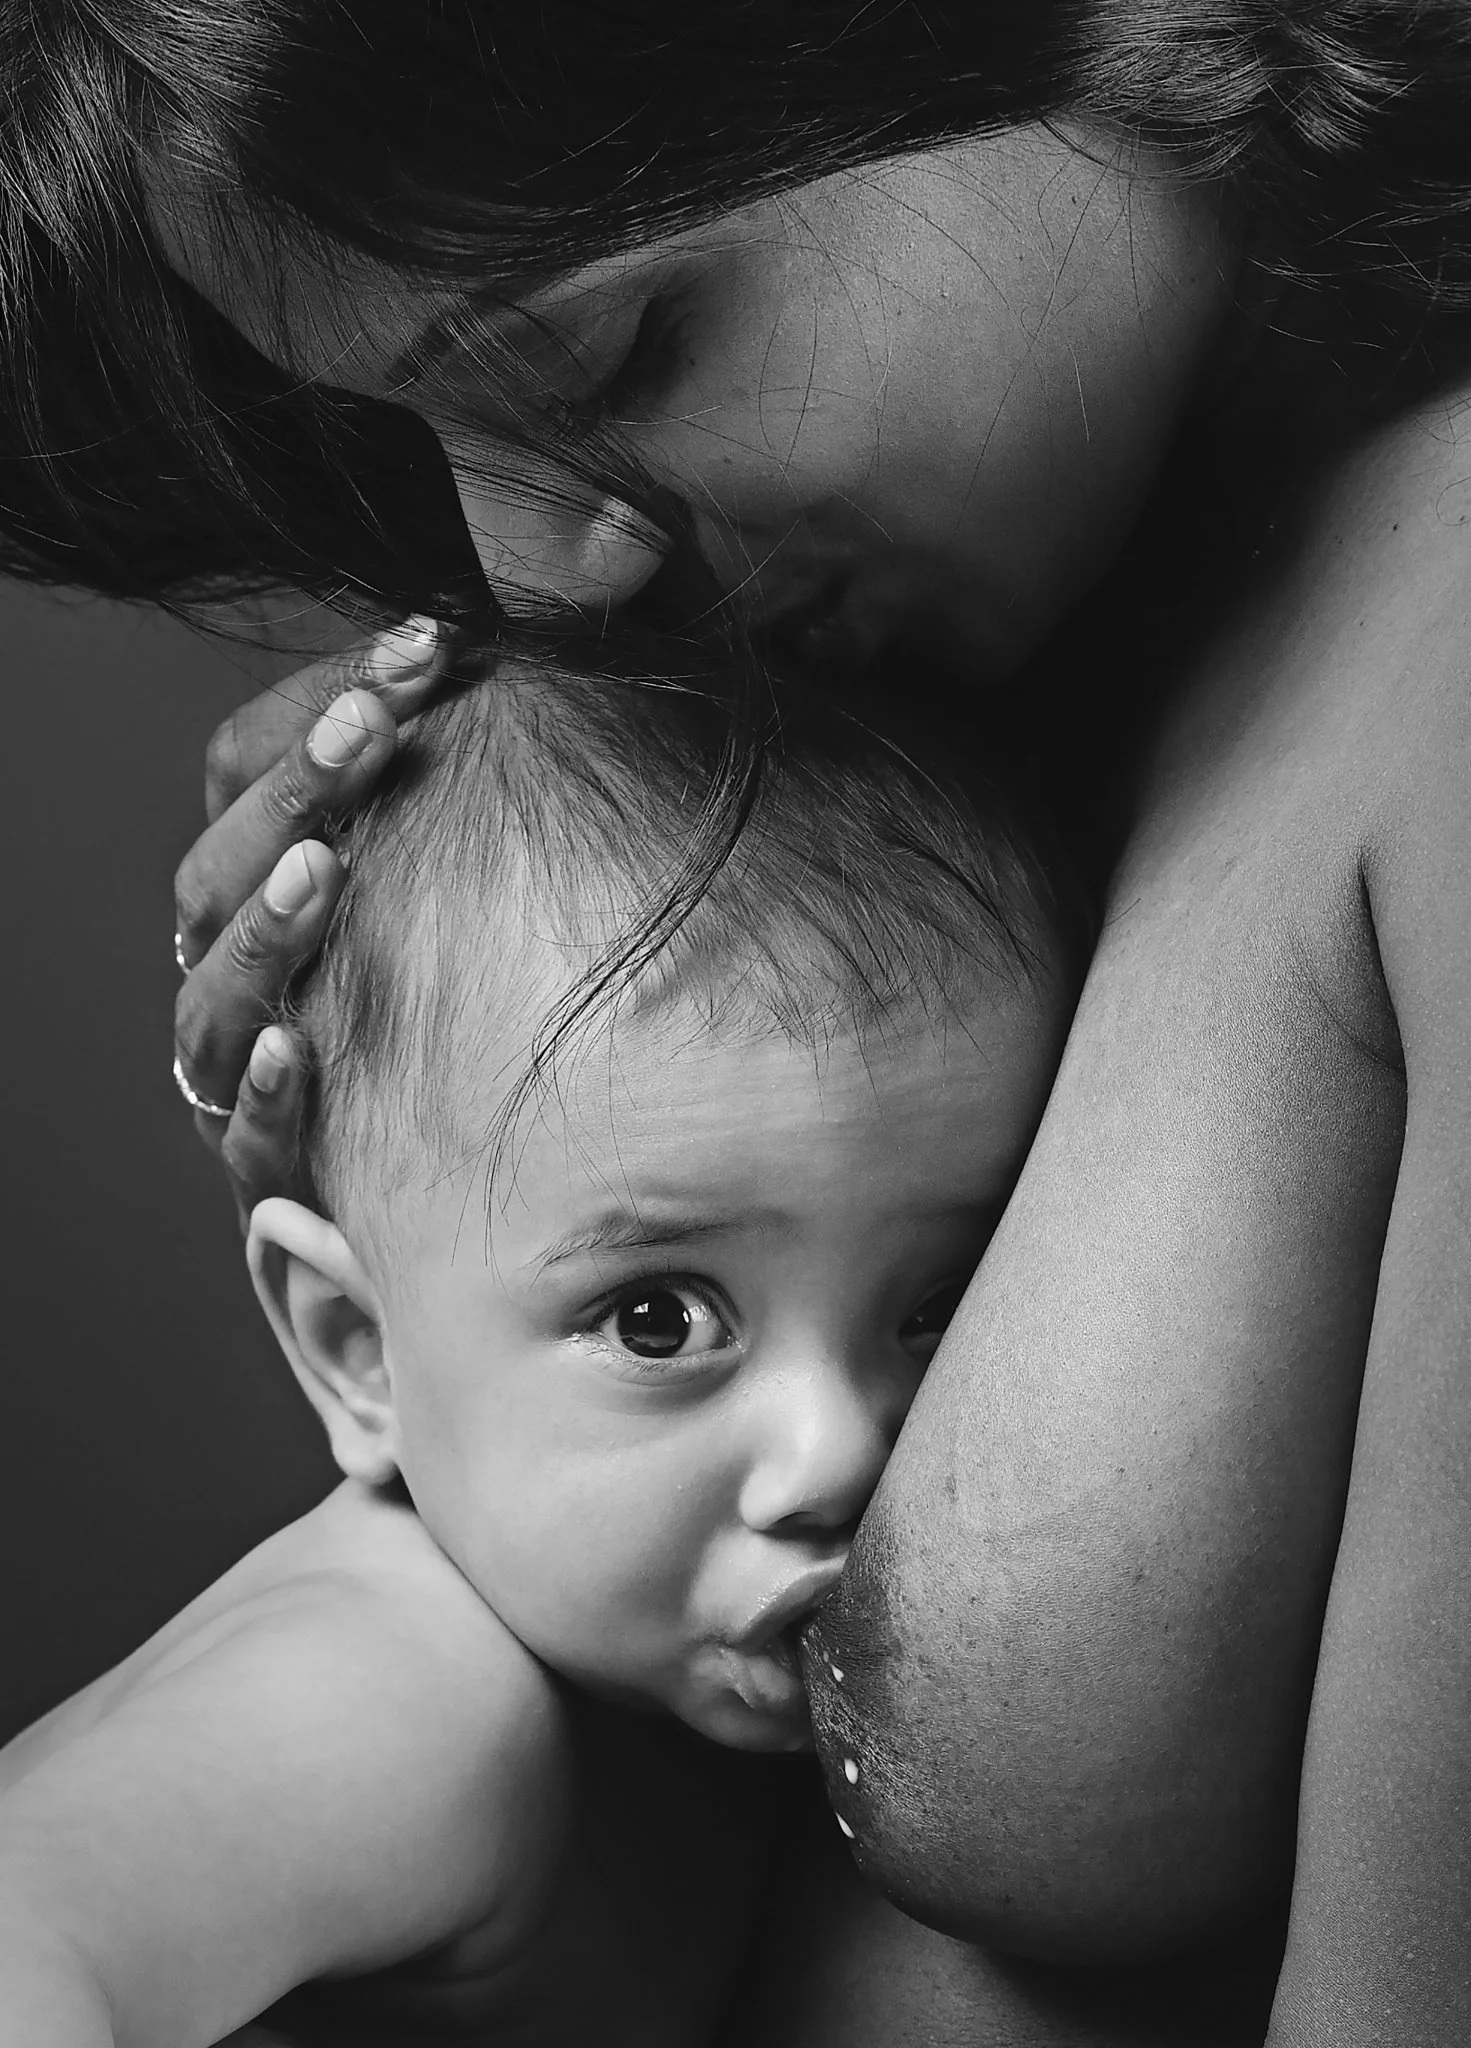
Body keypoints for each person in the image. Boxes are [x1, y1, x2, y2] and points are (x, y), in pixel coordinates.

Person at [4, 3, 1471, 2041]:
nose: (534, 568)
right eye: (415, 440)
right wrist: (458, 1070)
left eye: (618, 350)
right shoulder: (1038, 637)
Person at [0, 627, 1073, 2045]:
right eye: (657, 1318)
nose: (838, 1450)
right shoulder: (395, 1700)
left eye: (936, 1306)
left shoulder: (656, 1673)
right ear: (353, 1349)